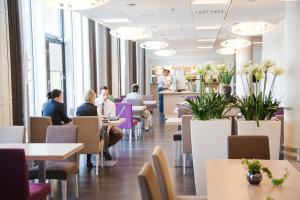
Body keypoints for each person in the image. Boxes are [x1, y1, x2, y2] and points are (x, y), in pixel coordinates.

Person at [98, 86, 123, 160]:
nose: (105, 96)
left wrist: (109, 129)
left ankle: (103, 148)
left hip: (108, 124)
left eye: (107, 94)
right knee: (103, 132)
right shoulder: (95, 102)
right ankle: (105, 151)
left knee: (119, 134)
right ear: (99, 94)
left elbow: (112, 119)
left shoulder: (111, 104)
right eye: (103, 94)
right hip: (97, 125)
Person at [76, 90, 98, 168]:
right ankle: (90, 161)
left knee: (86, 135)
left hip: (79, 137)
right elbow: (99, 125)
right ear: (93, 98)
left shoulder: (78, 109)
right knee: (99, 134)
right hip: (93, 138)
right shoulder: (96, 109)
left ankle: (77, 164)